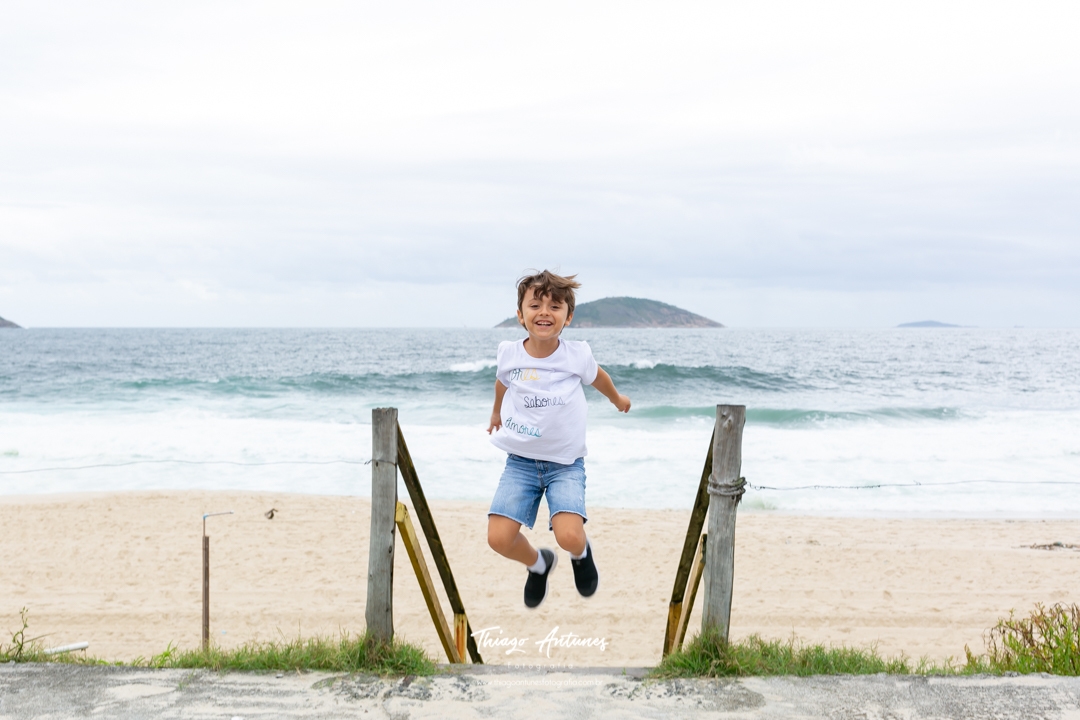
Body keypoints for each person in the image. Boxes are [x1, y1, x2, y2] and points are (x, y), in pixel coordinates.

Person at [486, 270, 631, 608]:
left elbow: (599, 378)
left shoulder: (576, 355)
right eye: (535, 305)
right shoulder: (509, 353)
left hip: (565, 465)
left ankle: (581, 556)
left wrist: (617, 399)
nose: (544, 312)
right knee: (498, 538)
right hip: (520, 463)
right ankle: (538, 565)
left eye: (555, 306)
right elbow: (501, 383)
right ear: (521, 315)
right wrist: (496, 413)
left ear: (568, 317)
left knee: (569, 536)